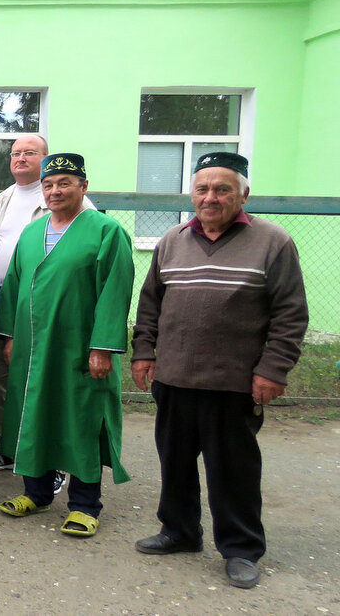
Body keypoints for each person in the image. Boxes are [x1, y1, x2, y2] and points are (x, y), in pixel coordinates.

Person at [131, 152, 308, 589]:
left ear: (243, 193)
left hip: (234, 383)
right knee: (174, 463)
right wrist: (144, 352)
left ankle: (242, 549)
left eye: (222, 188)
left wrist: (273, 370)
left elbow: (290, 314)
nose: (210, 197)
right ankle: (179, 531)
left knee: (233, 471)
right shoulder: (172, 240)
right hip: (173, 377)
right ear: (192, 194)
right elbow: (150, 303)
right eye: (203, 189)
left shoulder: (273, 242)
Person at [0, 153, 133, 537]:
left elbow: (115, 292)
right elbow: (15, 288)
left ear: (83, 187)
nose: (55, 191)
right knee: (34, 415)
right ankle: (35, 494)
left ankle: (85, 505)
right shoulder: (31, 232)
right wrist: (9, 335)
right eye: (49, 185)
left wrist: (102, 346)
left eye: (65, 183)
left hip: (78, 348)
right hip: (34, 349)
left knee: (81, 420)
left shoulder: (106, 231)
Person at [0, 135, 94, 473]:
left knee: (46, 381)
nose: (20, 158)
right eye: (15, 153)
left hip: (46, 306)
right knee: (1, 382)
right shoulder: (4, 198)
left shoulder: (77, 208)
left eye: (29, 153)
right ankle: (10, 447)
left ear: (44, 158)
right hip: (2, 300)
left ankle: (54, 460)